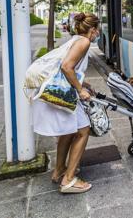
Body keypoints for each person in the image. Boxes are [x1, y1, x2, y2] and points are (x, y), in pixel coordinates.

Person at [32, 12, 100, 194]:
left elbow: (70, 68)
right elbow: (66, 66)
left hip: (62, 90)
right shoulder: (84, 42)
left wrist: (84, 83)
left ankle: (59, 171)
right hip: (67, 93)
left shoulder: (76, 39)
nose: (98, 34)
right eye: (98, 30)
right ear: (92, 30)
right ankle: (69, 180)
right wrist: (80, 89)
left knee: (68, 133)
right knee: (83, 131)